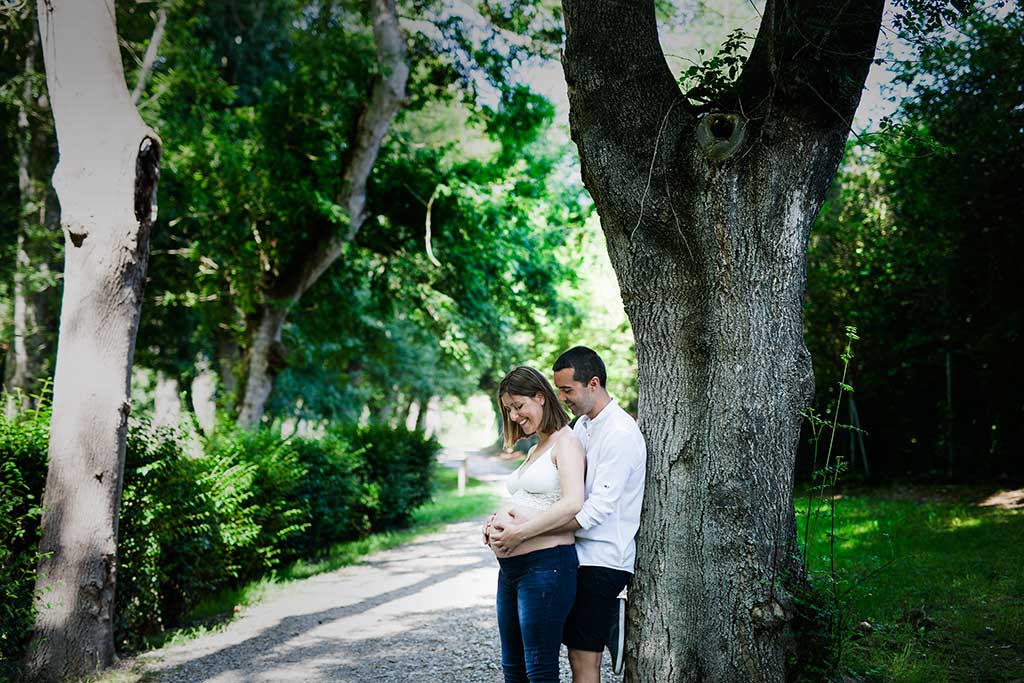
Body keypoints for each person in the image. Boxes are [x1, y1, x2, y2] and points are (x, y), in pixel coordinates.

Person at [489, 347, 646, 683]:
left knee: (581, 657)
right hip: (577, 554)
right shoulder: (584, 426)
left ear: (593, 383)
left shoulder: (618, 432)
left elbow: (594, 507)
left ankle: (613, 621)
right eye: (558, 390)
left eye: (567, 390)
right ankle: (611, 623)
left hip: (602, 559)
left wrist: (525, 531)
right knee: (546, 654)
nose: (561, 398)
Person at [485, 366, 587, 683]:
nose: (514, 416)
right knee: (513, 668)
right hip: (512, 572)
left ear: (540, 398)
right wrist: (496, 522)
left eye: (518, 406)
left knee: (539, 670)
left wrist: (518, 532)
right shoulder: (534, 449)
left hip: (546, 568)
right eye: (509, 410)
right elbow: (529, 499)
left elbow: (573, 503)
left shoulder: (566, 442)